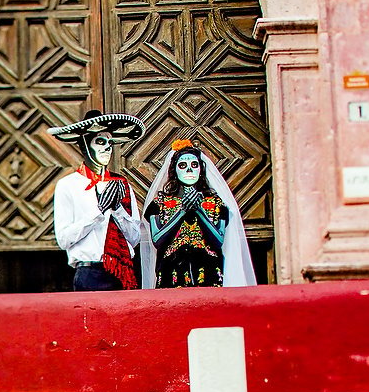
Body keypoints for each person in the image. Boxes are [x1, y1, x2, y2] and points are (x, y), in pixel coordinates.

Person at [47, 109, 149, 291]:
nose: (107, 148)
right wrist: (99, 211)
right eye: (100, 142)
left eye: (110, 143)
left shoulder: (121, 184)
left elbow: (134, 238)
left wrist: (117, 210)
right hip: (89, 273)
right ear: (85, 144)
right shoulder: (68, 185)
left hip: (122, 272)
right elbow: (64, 240)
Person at [140, 138, 256, 288]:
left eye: (194, 165)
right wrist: (182, 211)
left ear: (201, 169)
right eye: (183, 165)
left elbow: (218, 240)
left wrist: (200, 210)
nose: (189, 170)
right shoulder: (159, 203)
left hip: (208, 273)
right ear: (174, 170)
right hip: (171, 273)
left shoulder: (215, 203)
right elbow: (157, 239)